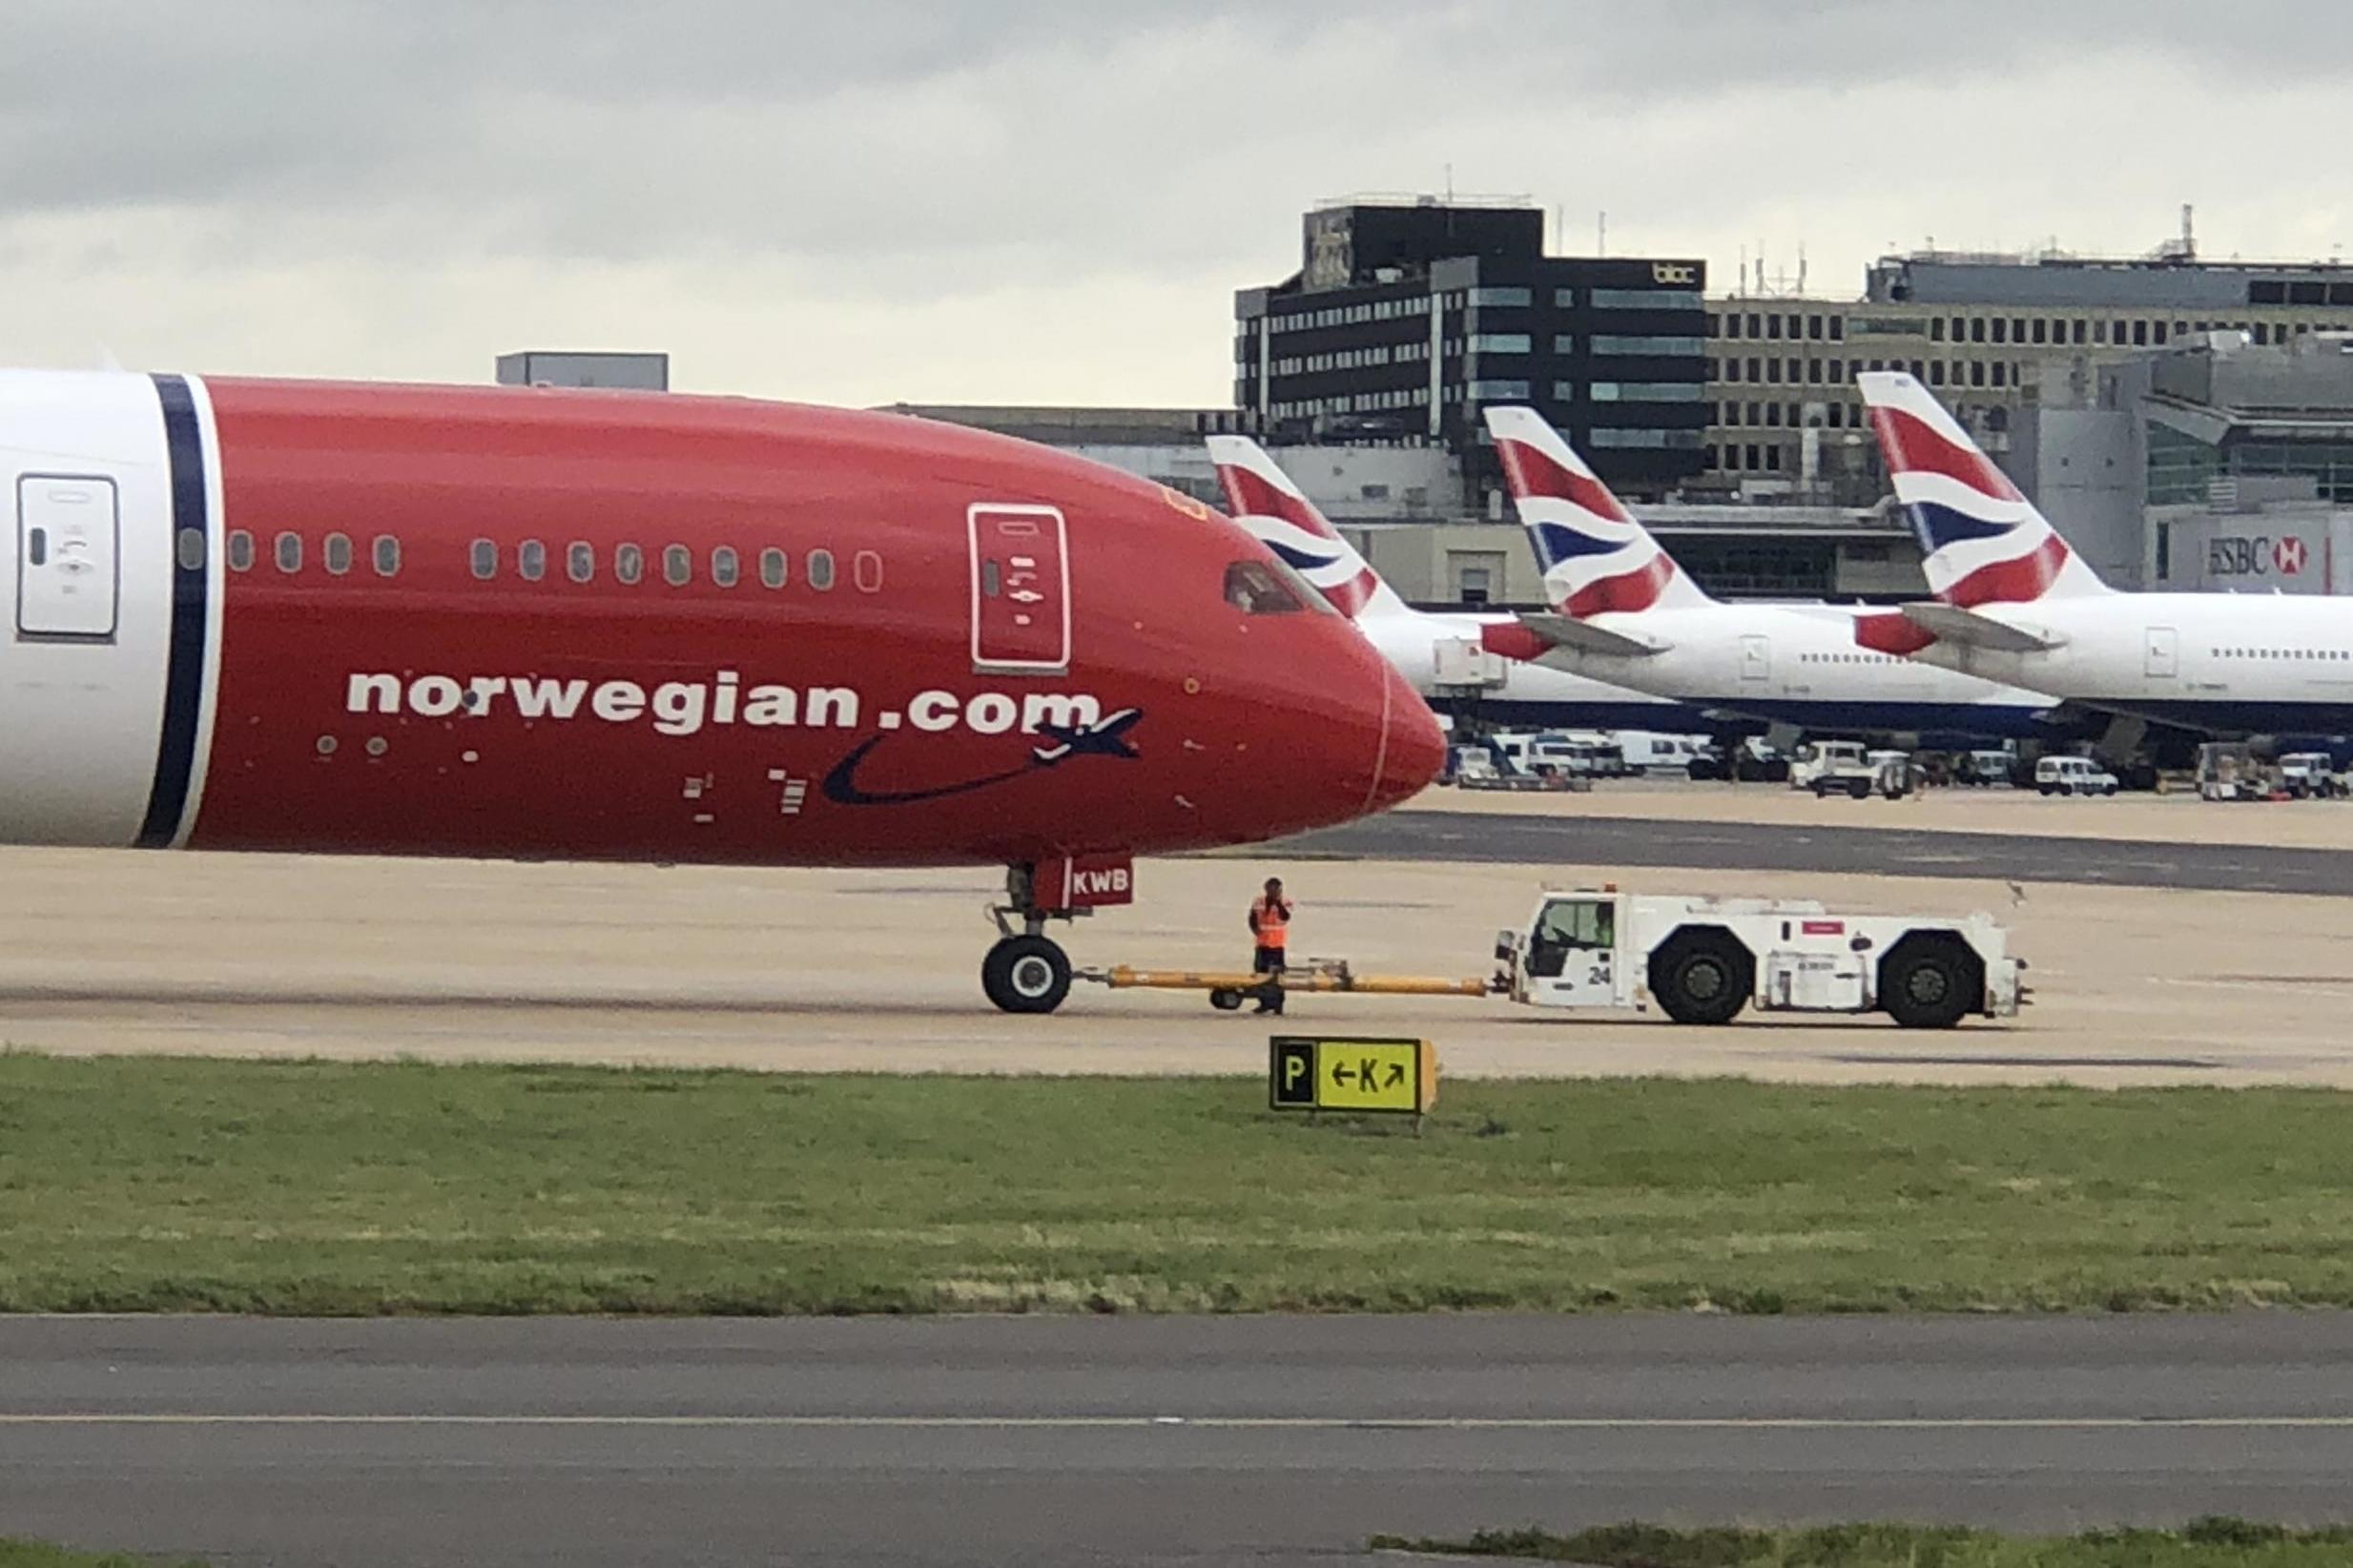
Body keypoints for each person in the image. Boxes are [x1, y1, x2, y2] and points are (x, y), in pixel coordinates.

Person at [1247, 877, 1292, 1015]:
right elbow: (1252, 917)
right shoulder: (1258, 902)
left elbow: (1285, 917)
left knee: (1278, 977)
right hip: (1262, 944)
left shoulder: (1285, 902)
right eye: (1270, 889)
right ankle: (1264, 1003)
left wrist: (1277, 903)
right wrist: (1254, 929)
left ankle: (1278, 1004)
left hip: (1277, 945)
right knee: (1261, 974)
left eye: (1275, 890)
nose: (1272, 892)